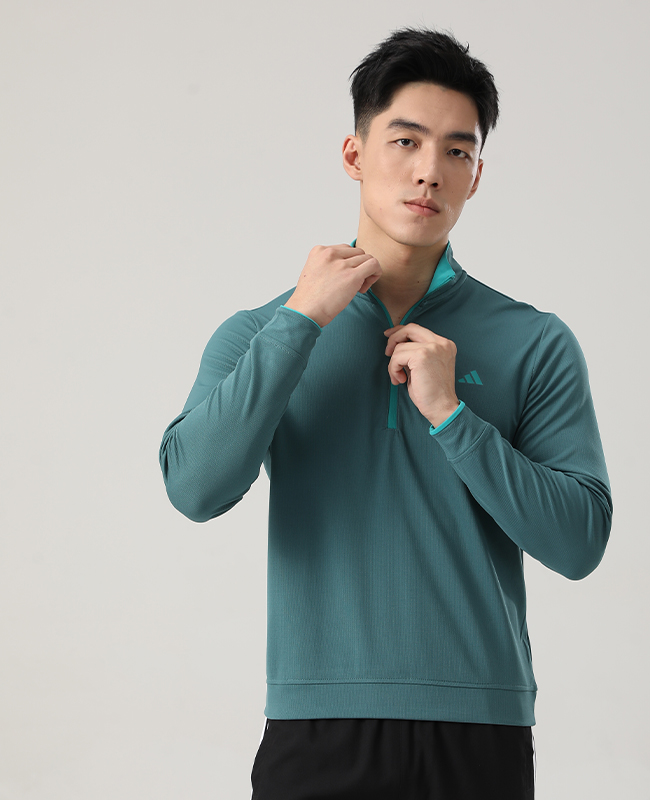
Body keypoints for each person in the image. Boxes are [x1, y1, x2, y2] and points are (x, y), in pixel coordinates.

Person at [159, 25, 612, 800]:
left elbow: (579, 543)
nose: (429, 170)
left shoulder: (534, 341)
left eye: (457, 151)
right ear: (354, 154)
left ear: (476, 176)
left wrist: (454, 417)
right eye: (405, 141)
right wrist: (301, 322)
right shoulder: (260, 332)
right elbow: (194, 489)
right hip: (316, 728)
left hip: (481, 732)